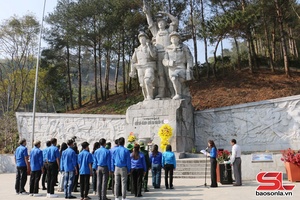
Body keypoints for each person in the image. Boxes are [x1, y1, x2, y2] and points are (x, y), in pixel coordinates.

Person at [143, 2, 179, 99]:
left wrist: (167, 14)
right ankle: (162, 93)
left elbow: (175, 21)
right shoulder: (156, 33)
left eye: (162, 23)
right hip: (159, 56)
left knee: (169, 74)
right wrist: (147, 13)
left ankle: (173, 92)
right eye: (159, 23)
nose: (160, 24)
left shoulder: (169, 31)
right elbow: (150, 24)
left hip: (168, 55)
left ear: (165, 24)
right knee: (160, 75)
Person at [162, 31, 193, 100]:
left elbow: (189, 59)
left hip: (181, 67)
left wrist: (189, 70)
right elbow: (164, 60)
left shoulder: (184, 47)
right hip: (171, 69)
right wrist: (170, 63)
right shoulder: (168, 49)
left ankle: (178, 94)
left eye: (175, 38)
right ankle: (180, 94)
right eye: (172, 38)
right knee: (174, 79)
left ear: (178, 39)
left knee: (174, 77)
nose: (174, 39)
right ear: (170, 40)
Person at [129, 32, 157, 100]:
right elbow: (133, 61)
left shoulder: (151, 47)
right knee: (142, 84)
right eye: (140, 38)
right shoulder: (137, 50)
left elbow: (154, 56)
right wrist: (132, 71)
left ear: (146, 39)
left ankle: (150, 96)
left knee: (147, 80)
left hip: (149, 66)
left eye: (143, 38)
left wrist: (149, 46)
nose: (142, 40)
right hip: (140, 68)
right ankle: (145, 97)